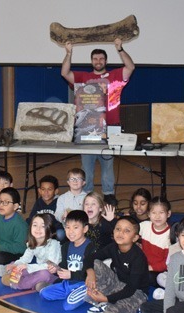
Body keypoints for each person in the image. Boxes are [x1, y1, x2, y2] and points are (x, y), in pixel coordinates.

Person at [61, 38, 135, 198]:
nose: (98, 61)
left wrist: (120, 49)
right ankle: (86, 196)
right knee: (87, 167)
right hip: (87, 129)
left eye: (101, 58)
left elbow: (130, 67)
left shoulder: (115, 75)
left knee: (108, 166)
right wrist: (68, 53)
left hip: (110, 128)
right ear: (91, 61)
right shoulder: (83, 77)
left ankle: (108, 195)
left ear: (106, 60)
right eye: (95, 58)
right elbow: (65, 73)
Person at [83, 216, 149, 313]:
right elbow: (90, 258)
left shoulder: (138, 257)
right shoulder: (113, 247)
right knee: (95, 264)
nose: (121, 233)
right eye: (118, 229)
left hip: (136, 292)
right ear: (113, 231)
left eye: (126, 231)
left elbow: (130, 289)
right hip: (118, 284)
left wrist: (106, 299)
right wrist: (90, 273)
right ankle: (107, 300)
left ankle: (134, 306)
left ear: (135, 237)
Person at [40, 210, 95, 310]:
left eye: (75, 227)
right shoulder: (65, 246)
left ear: (85, 229)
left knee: (68, 306)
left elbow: (91, 272)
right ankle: (73, 294)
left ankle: (86, 293)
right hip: (68, 283)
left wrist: (71, 275)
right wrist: (56, 270)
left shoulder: (90, 247)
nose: (70, 231)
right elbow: (64, 267)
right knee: (44, 293)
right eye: (67, 227)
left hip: (83, 283)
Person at [0, 213, 62, 291]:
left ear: (49, 229)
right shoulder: (32, 242)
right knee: (19, 267)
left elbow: (50, 266)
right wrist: (15, 265)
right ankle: (9, 270)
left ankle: (19, 284)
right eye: (35, 225)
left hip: (53, 273)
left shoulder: (54, 244)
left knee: (44, 274)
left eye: (42, 226)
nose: (38, 229)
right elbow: (25, 259)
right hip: (38, 268)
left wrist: (28, 267)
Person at [140, 197, 172, 294]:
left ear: (168, 214)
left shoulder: (171, 235)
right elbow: (128, 232)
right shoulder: (144, 226)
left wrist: (151, 268)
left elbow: (167, 262)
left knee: (153, 278)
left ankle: (166, 291)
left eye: (161, 212)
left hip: (159, 271)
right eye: (154, 213)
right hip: (143, 265)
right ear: (148, 214)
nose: (157, 216)